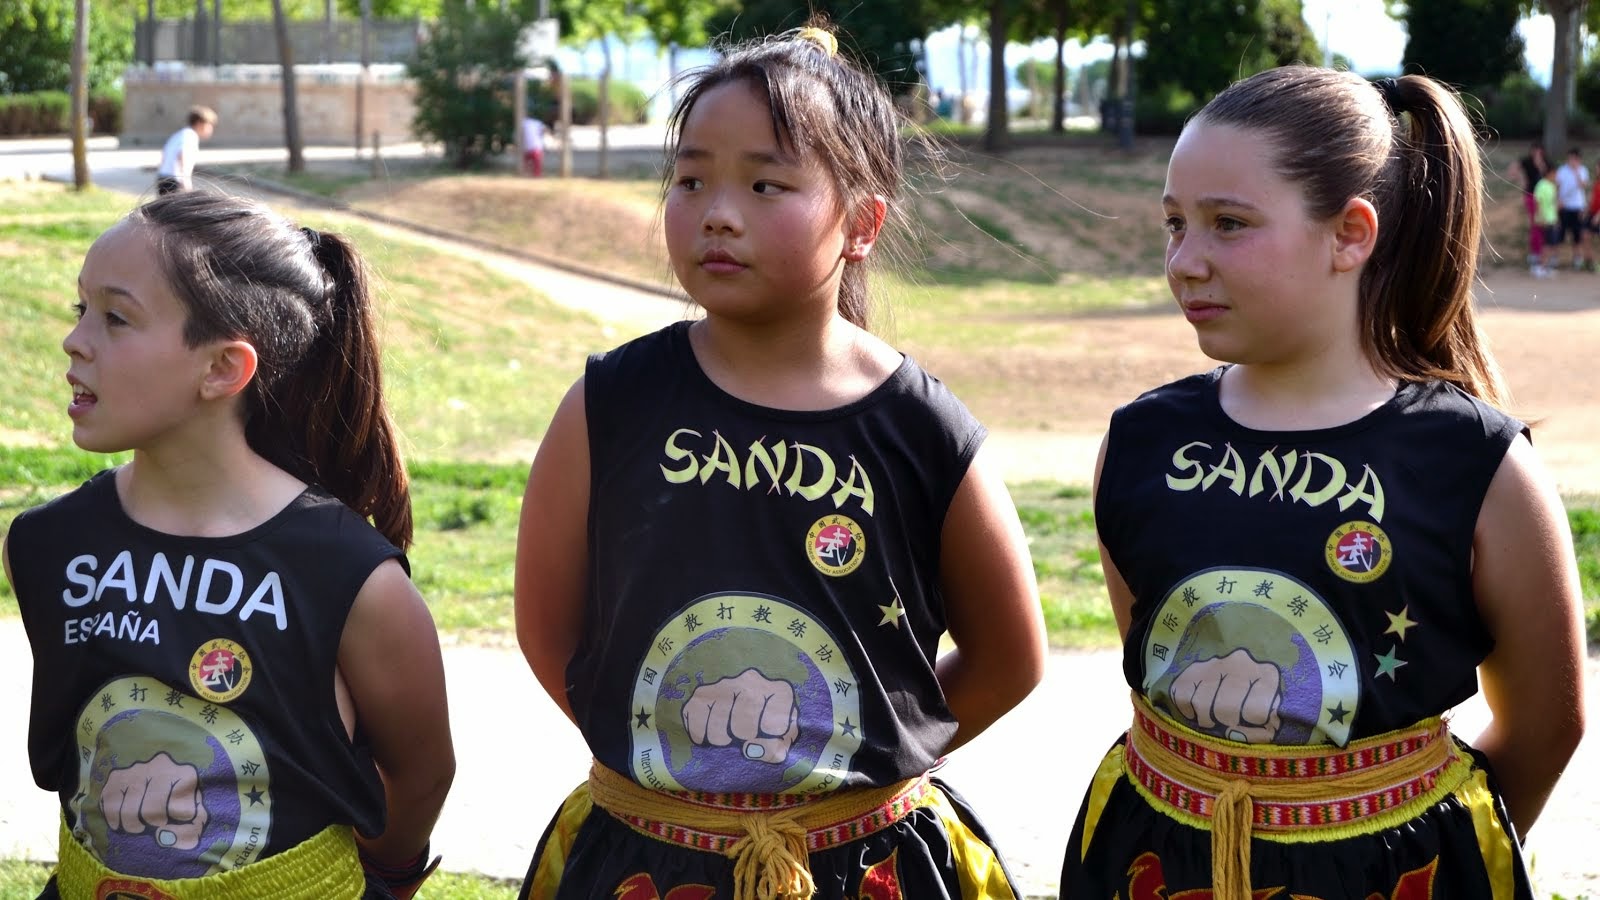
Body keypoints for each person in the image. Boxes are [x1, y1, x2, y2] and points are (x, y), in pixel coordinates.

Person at [513, 23, 1046, 900]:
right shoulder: (611, 404)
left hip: (863, 868)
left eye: (766, 183)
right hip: (644, 860)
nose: (717, 211)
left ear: (864, 223)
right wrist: (670, 763)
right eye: (690, 179)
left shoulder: (923, 429)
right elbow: (548, 630)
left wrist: (876, 762)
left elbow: (1010, 658)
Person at [1060, 67, 1586, 900]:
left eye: (1228, 225)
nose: (1185, 261)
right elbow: (1155, 662)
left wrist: (1414, 841)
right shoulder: (1141, 443)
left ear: (1349, 234)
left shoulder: (1477, 464)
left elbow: (1546, 726)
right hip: (1158, 862)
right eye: (1174, 224)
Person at [2, 190, 456, 900]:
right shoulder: (47, 544)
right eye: (79, 308)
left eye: (116, 317)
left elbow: (422, 775)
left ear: (222, 369)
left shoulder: (351, 577)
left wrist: (378, 877)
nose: (75, 340)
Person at [155, 106, 217, 195]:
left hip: (163, 177)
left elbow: (164, 155)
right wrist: (186, 184)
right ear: (200, 123)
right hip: (174, 181)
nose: (211, 129)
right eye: (209, 125)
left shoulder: (180, 134)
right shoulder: (190, 136)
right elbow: (183, 156)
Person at [1508, 141, 1546, 270]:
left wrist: (1540, 165)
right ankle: (1535, 253)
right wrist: (1521, 179)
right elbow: (1512, 171)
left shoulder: (1545, 162)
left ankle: (1540, 253)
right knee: (1535, 224)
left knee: (1540, 225)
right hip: (1531, 195)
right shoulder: (1526, 161)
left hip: (1544, 197)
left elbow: (1549, 176)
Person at [1552, 146, 1590, 270]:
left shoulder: (1583, 170)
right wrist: (1557, 200)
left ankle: (1577, 260)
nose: (1571, 161)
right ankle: (1555, 259)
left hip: (1578, 207)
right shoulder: (1562, 170)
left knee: (1576, 235)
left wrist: (1576, 172)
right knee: (1559, 234)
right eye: (1570, 158)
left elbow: (1583, 185)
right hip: (1564, 206)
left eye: (1574, 159)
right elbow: (1556, 186)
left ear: (1578, 159)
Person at [1535, 163, 1560, 278]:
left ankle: (1545, 266)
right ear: (1550, 173)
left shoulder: (1552, 186)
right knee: (1546, 245)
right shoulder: (1542, 185)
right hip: (1545, 220)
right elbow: (1538, 202)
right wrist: (1541, 217)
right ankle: (1541, 267)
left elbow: (1553, 204)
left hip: (1552, 219)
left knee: (1550, 244)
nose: (1557, 176)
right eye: (1555, 173)